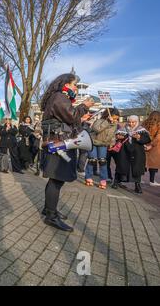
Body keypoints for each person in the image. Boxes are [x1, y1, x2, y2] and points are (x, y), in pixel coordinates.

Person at [40, 73, 93, 232]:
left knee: (56, 179)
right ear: (66, 84)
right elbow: (71, 116)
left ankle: (49, 209)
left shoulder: (56, 98)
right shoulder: (59, 98)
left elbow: (68, 119)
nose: (76, 88)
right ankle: (51, 216)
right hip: (60, 144)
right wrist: (84, 106)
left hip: (58, 142)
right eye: (74, 85)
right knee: (57, 179)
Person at [112, 115, 151, 193]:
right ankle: (116, 182)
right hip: (124, 151)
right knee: (121, 166)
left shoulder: (142, 130)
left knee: (137, 168)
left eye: (133, 122)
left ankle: (137, 186)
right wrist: (118, 137)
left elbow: (147, 139)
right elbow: (117, 137)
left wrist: (139, 137)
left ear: (137, 122)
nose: (131, 124)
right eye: (129, 122)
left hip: (137, 152)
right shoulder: (122, 129)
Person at [84, 108, 119, 189]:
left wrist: (112, 144)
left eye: (116, 118)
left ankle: (103, 179)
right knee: (92, 159)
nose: (115, 119)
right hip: (93, 142)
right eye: (114, 117)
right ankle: (88, 177)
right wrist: (107, 122)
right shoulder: (99, 121)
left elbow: (113, 135)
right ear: (108, 115)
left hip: (103, 144)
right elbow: (97, 129)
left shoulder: (114, 124)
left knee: (103, 161)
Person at [143, 111, 160, 186]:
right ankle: (152, 181)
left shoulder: (145, 123)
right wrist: (152, 144)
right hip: (155, 147)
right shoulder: (159, 124)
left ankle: (139, 179)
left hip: (144, 144)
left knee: (142, 162)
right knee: (153, 164)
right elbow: (158, 137)